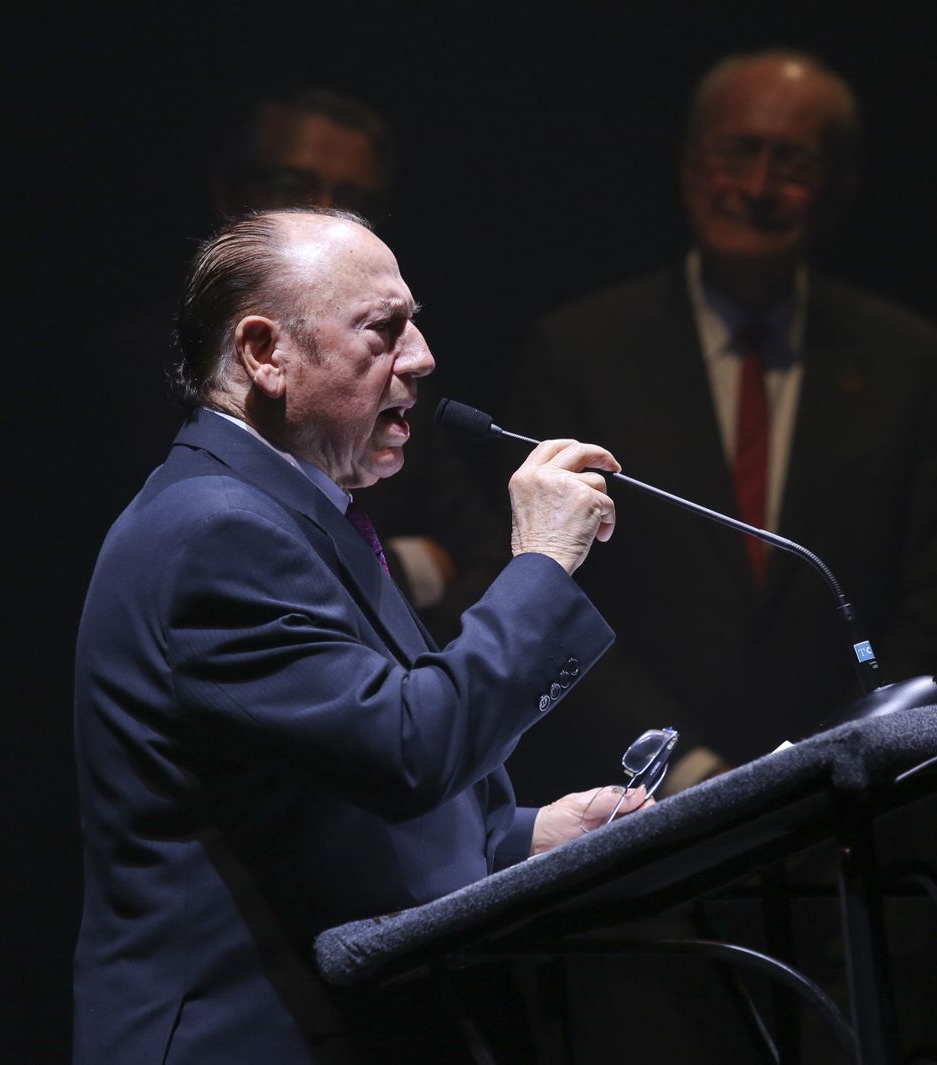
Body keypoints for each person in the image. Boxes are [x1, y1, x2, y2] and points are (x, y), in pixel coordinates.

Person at [72, 208, 645, 1063]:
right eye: (384, 328)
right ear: (265, 353)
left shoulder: (289, 512)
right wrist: (540, 562)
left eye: (415, 323)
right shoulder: (214, 531)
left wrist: (523, 836)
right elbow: (411, 750)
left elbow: (331, 804)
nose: (423, 356)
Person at [506, 50, 937, 803]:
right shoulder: (578, 351)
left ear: (840, 189)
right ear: (689, 166)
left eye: (793, 164)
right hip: (633, 807)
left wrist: (842, 761)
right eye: (736, 153)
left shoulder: (914, 362)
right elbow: (552, 590)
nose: (759, 187)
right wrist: (690, 773)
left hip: (859, 802)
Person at [104, 88, 508, 643]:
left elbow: (481, 560)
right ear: (262, 354)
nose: (322, 211)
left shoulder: (387, 383)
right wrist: (413, 566)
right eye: (292, 185)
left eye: (351, 197)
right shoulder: (213, 516)